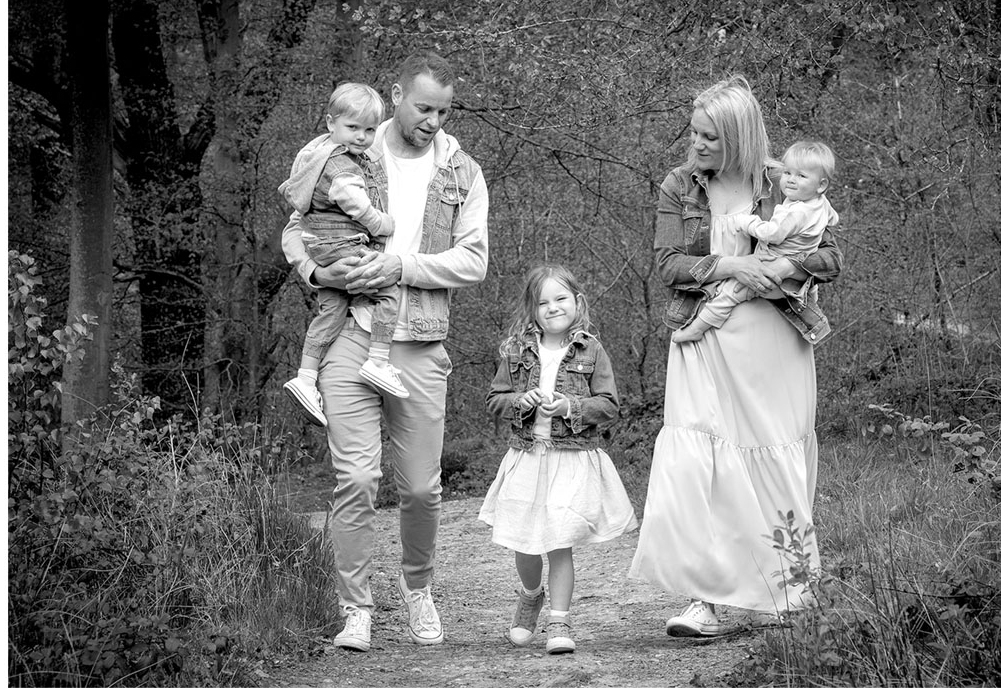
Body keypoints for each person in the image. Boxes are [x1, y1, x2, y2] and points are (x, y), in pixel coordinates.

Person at [280, 50, 489, 651]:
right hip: (349, 332)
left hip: (420, 341)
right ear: (397, 94)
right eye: (424, 107)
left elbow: (473, 262)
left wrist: (399, 264)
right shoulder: (348, 149)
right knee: (356, 476)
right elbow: (297, 226)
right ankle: (356, 609)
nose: (433, 121)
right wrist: (314, 277)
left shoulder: (462, 173)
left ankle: (418, 587)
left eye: (443, 111)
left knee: (422, 488)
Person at [628, 75, 843, 636]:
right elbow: (668, 263)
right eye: (694, 133)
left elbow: (831, 256)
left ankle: (792, 589)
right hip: (703, 337)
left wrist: (780, 272)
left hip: (774, 341)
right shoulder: (679, 186)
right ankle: (704, 600)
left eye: (710, 138)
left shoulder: (783, 183)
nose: (696, 146)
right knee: (703, 464)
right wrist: (732, 266)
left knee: (774, 460)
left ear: (740, 139)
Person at [479, 264, 639, 655]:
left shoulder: (592, 350)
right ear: (531, 309)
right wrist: (521, 401)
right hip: (527, 457)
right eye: (542, 302)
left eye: (561, 298)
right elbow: (494, 400)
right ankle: (531, 594)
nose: (552, 307)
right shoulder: (515, 350)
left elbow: (609, 405)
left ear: (577, 302)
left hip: (570, 460)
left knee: (559, 541)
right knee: (526, 543)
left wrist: (570, 405)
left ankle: (559, 620)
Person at [279, 83, 408, 428]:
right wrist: (381, 223)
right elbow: (355, 203)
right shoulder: (343, 165)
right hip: (341, 244)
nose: (363, 137)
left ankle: (306, 378)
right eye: (353, 128)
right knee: (386, 292)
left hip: (319, 246)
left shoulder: (316, 154)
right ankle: (378, 361)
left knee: (331, 309)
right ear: (330, 123)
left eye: (369, 130)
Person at [670, 140, 840, 344]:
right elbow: (833, 219)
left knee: (731, 293)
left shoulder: (797, 213)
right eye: (787, 173)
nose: (790, 180)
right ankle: (809, 299)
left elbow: (774, 234)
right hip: (795, 280)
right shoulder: (820, 203)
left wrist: (747, 222)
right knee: (809, 287)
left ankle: (697, 328)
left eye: (801, 176)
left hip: (770, 273)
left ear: (821, 185)